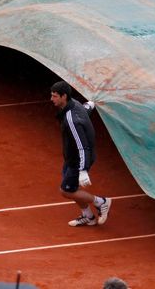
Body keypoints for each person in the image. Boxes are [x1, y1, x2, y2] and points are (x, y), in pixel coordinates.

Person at [50, 81, 112, 227]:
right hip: (71, 158)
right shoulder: (74, 104)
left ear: (64, 96)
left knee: (66, 191)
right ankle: (88, 216)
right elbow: (85, 109)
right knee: (73, 188)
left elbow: (82, 146)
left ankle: (101, 202)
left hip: (78, 160)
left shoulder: (72, 120)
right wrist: (92, 104)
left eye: (54, 96)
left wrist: (83, 170)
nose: (51, 99)